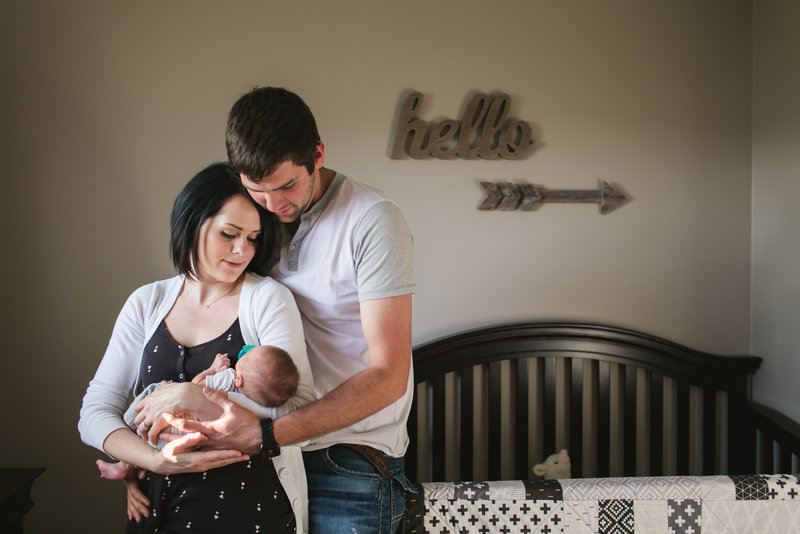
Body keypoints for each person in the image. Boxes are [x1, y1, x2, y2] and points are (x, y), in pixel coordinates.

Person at [133, 87, 416, 533]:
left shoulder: (372, 221)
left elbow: (389, 375)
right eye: (257, 191)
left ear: (318, 154)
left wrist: (264, 436)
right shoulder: (259, 221)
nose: (274, 204)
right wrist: (145, 453)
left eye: (287, 186)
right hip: (274, 459)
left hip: (348, 457)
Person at [78, 162, 315, 534]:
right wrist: (154, 461)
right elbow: (94, 413)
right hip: (155, 512)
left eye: (253, 237)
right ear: (192, 223)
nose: (243, 250)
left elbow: (298, 409)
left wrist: (191, 396)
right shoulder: (147, 302)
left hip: (249, 513)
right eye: (229, 233)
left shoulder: (268, 300)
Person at [96, 346, 299, 480]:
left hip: (168, 424)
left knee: (155, 391)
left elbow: (193, 388)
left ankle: (127, 431)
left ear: (239, 379)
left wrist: (212, 370)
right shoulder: (254, 410)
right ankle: (129, 465)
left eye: (244, 360)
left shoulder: (228, 378)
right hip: (190, 443)